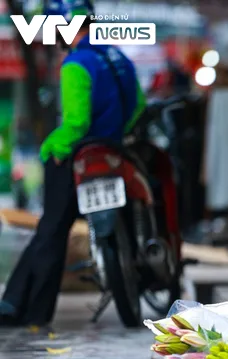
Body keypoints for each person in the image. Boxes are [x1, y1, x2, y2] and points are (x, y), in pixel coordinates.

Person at [0, 0, 146, 326]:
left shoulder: (76, 64)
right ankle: (13, 303)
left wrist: (52, 147)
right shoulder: (118, 57)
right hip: (115, 154)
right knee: (50, 230)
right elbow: (137, 104)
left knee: (51, 230)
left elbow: (76, 123)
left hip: (77, 158)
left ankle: (30, 311)